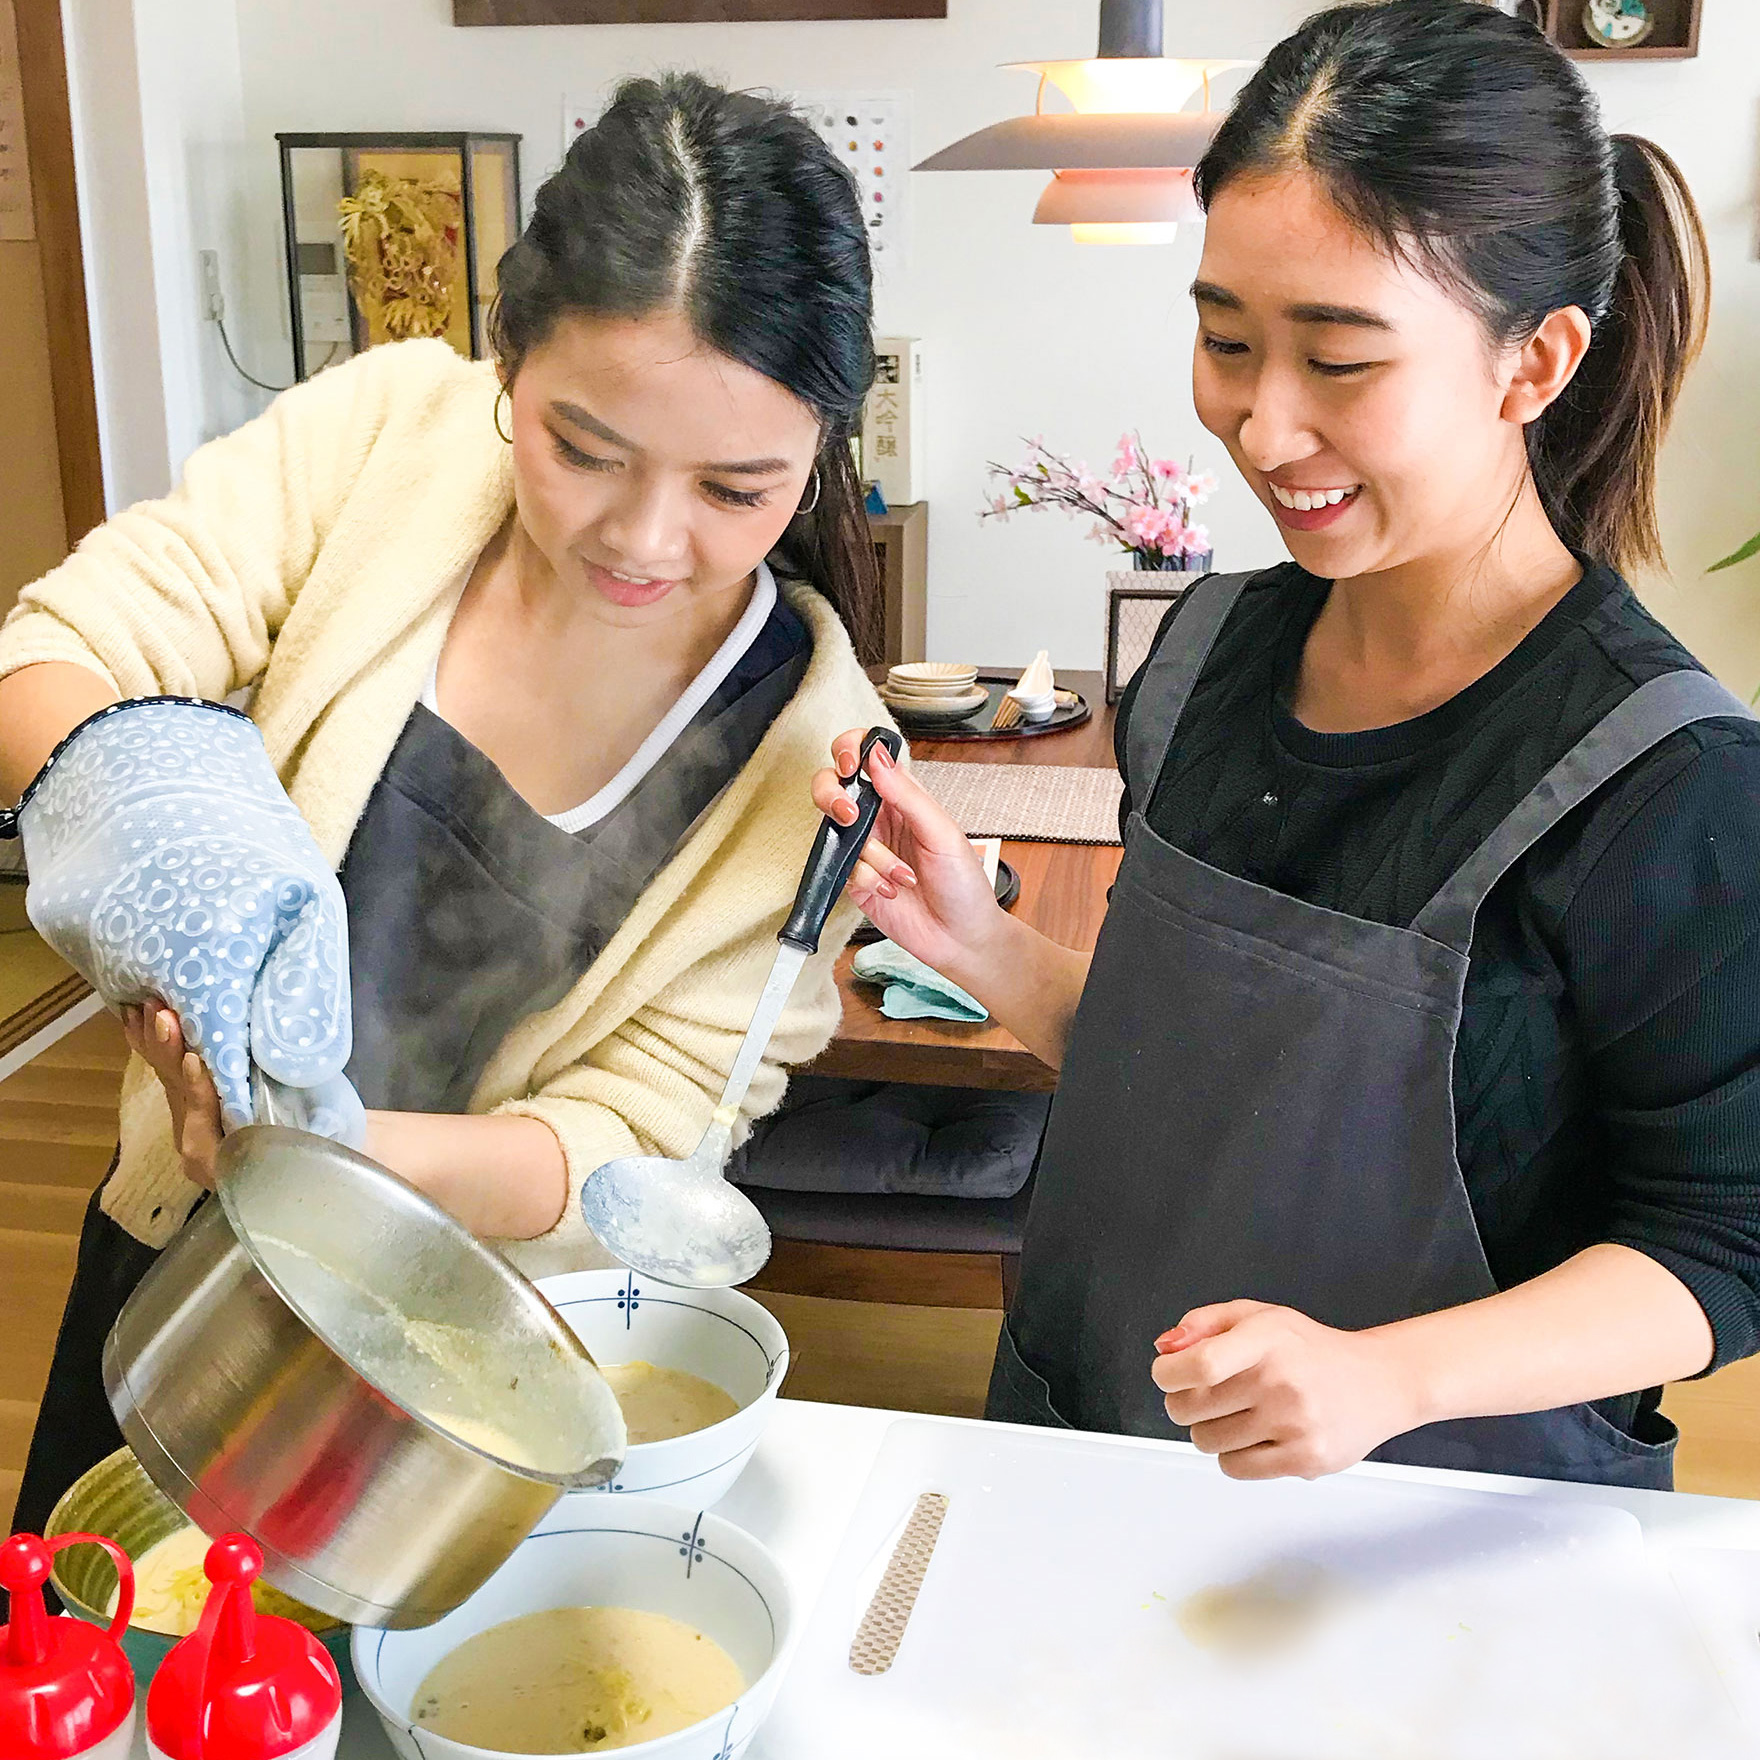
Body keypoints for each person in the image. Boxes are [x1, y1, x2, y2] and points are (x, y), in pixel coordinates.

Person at [815, 0, 1760, 1490]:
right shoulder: (1203, 656)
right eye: (1226, 337)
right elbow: (1195, 1079)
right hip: (1092, 1461)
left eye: (1339, 359)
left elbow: (1722, 1243)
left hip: (1439, 1535)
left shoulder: (1669, 782)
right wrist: (979, 947)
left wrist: (1387, 1375)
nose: (1260, 426)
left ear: (1535, 365)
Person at [3, 72, 888, 1535]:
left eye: (737, 489)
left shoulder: (815, 762)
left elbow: (646, 1134)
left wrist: (331, 1161)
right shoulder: (385, 442)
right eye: (584, 451)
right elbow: (62, 648)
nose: (646, 539)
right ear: (505, 359)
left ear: (818, 454)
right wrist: (169, 852)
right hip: (176, 1248)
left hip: (481, 1359)